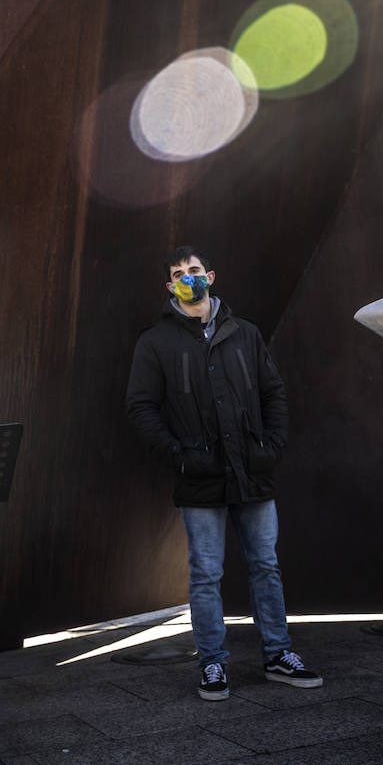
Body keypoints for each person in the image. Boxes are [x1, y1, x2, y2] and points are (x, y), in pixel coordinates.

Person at [126, 246, 323, 701]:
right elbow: (140, 407)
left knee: (265, 567)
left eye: (193, 270)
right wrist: (178, 454)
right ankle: (212, 663)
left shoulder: (246, 333)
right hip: (198, 476)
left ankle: (279, 655)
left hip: (253, 471)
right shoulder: (155, 341)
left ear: (211, 276)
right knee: (205, 574)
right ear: (169, 286)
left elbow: (274, 393)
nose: (187, 278)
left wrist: (271, 446)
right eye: (177, 274)